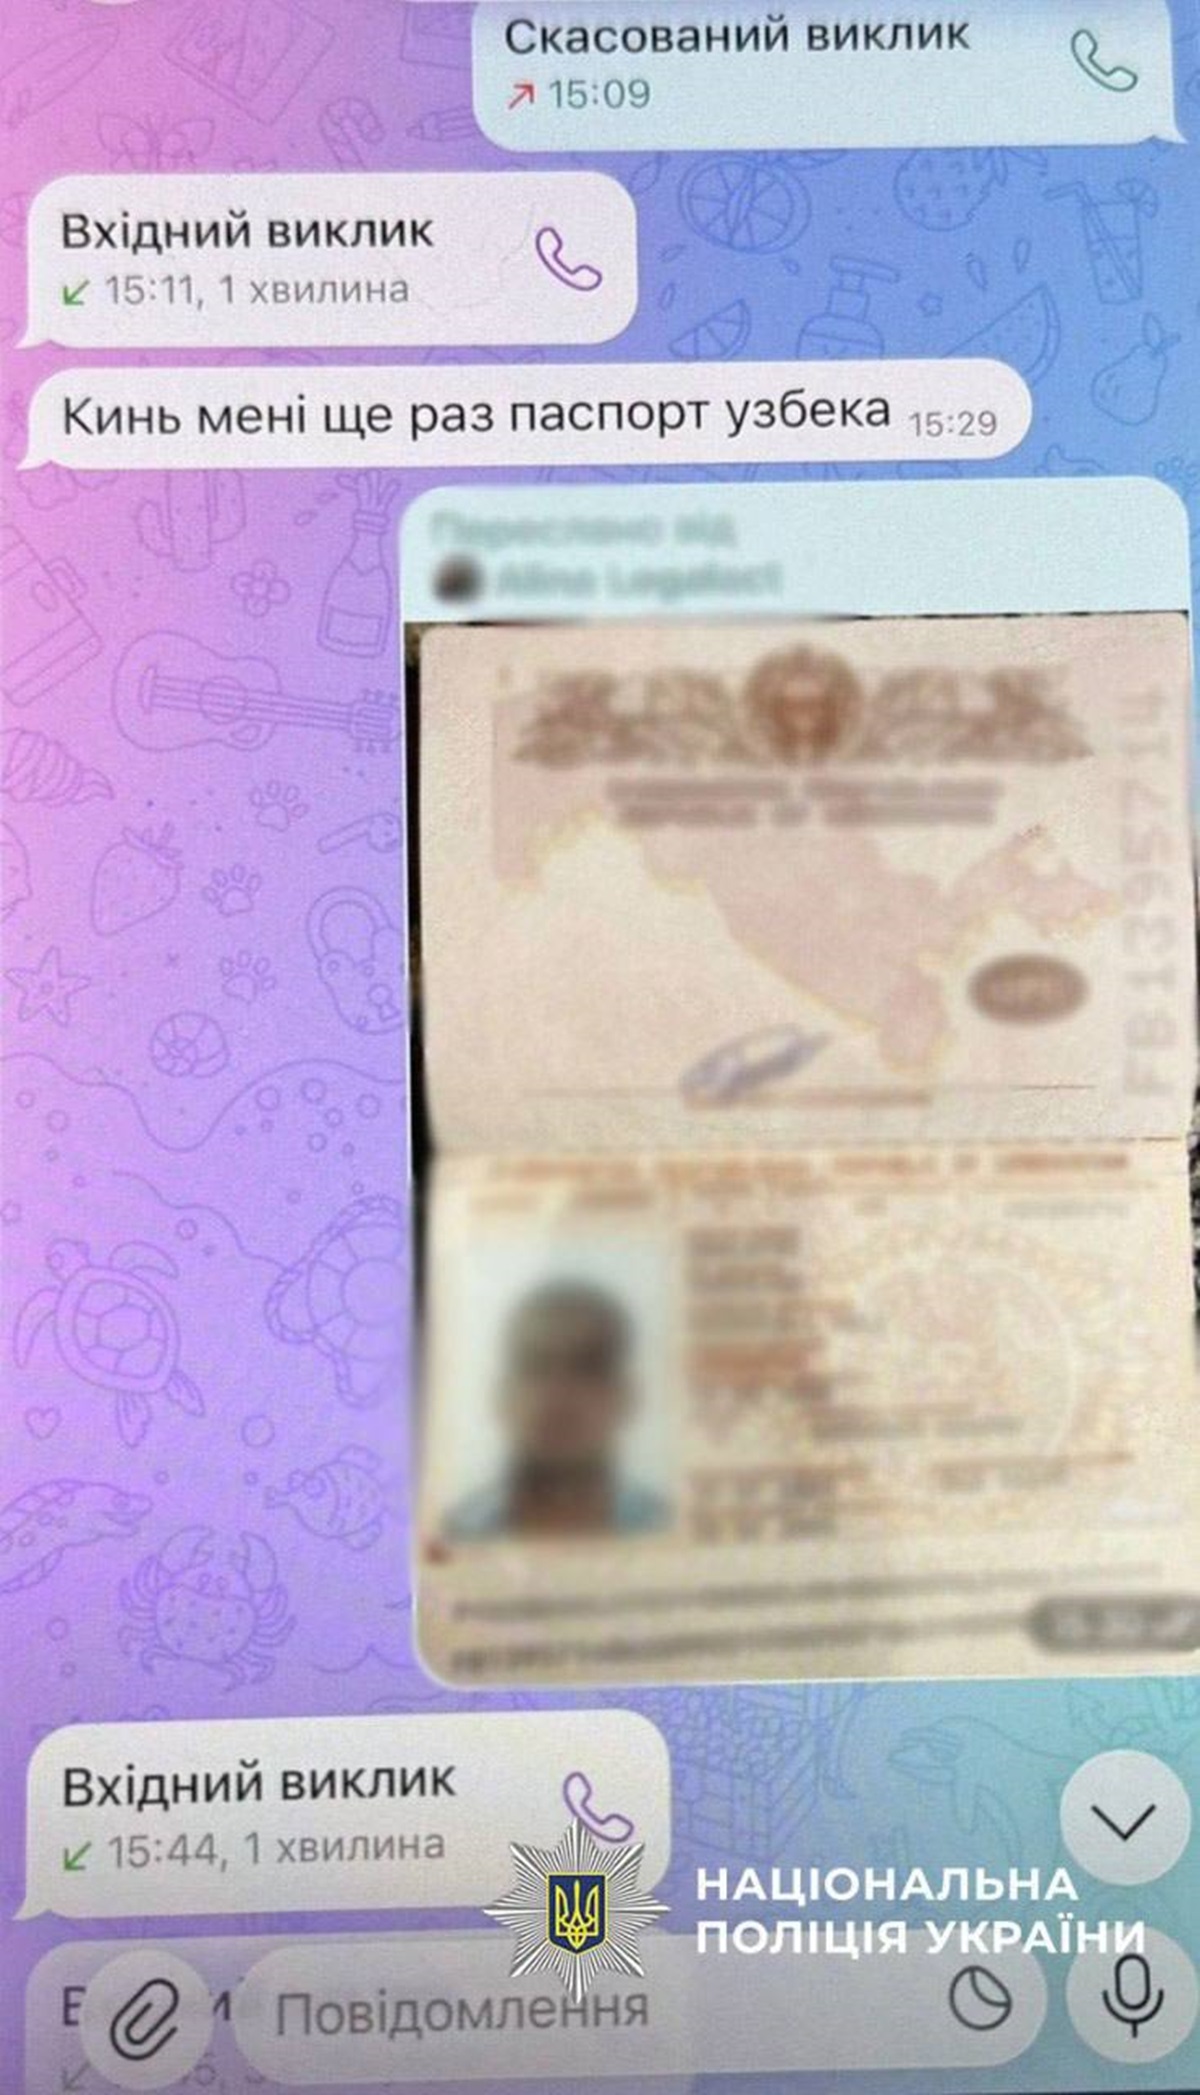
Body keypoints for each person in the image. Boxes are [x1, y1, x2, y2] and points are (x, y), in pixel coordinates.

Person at [444, 1278, 667, 1540]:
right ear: (502, 1395)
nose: (558, 1392)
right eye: (535, 1365)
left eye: (587, 1368)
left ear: (627, 1397)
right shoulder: (456, 1536)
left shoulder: (664, 1530)